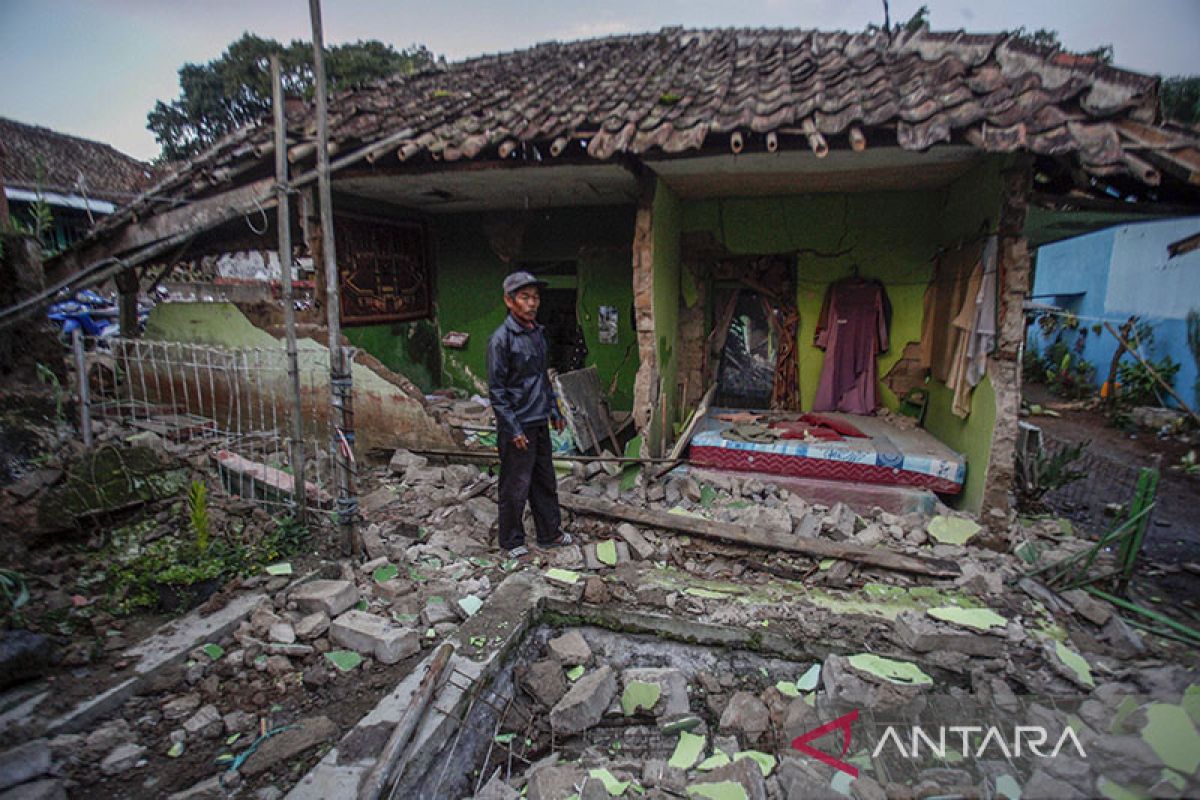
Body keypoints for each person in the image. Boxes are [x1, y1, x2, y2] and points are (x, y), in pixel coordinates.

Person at [487, 271, 574, 558]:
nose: (532, 303)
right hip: (518, 424)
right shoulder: (501, 340)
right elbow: (497, 392)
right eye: (525, 297)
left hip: (538, 420)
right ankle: (511, 542)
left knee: (544, 480)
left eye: (535, 297)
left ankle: (550, 533)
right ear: (509, 301)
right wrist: (513, 429)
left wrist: (554, 410)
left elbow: (542, 377)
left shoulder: (537, 333)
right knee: (515, 485)